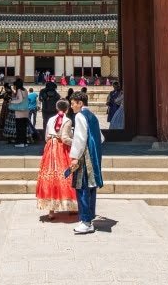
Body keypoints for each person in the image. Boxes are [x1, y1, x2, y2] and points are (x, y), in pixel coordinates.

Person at [68, 91, 104, 234]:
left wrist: (75, 156)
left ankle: (85, 221)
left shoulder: (80, 116)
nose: (71, 107)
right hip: (94, 157)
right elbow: (101, 138)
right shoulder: (92, 116)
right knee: (91, 188)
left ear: (80, 103)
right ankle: (88, 219)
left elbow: (80, 138)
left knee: (82, 187)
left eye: (73, 104)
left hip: (84, 157)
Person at [36, 99, 78, 219]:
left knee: (50, 176)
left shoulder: (50, 119)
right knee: (66, 175)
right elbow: (65, 138)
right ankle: (71, 206)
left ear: (56, 108)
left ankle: (51, 211)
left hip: (50, 147)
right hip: (61, 148)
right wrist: (76, 142)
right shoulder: (68, 120)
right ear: (68, 108)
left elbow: (46, 136)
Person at [10, 79, 30, 148]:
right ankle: (24, 142)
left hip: (19, 112)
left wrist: (12, 101)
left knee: (19, 127)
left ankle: (20, 142)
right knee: (24, 127)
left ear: (16, 85)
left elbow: (20, 100)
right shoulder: (25, 90)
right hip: (25, 111)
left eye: (14, 85)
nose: (14, 87)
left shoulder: (19, 90)